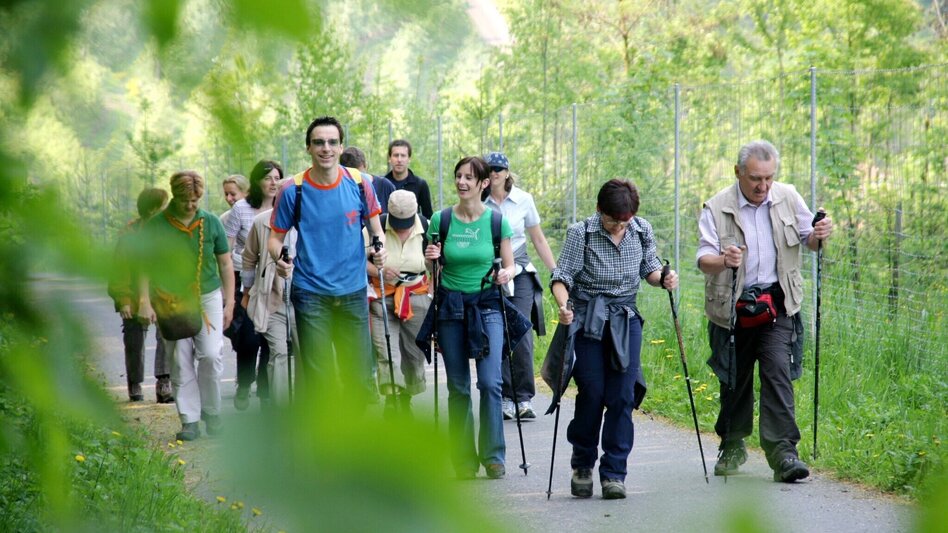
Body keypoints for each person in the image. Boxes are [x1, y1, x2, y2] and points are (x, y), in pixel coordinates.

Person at [697, 140, 833, 483]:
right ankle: (732, 443)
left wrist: (819, 234)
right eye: (756, 178)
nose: (763, 186)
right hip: (731, 306)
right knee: (735, 379)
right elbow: (704, 260)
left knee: (777, 372)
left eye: (769, 178)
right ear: (738, 172)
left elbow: (810, 241)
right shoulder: (716, 206)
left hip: (777, 303)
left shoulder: (787, 196)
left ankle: (784, 452)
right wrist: (724, 260)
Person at [550, 179, 678, 500]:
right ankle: (582, 464)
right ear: (599, 210)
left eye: (625, 220)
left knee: (622, 395)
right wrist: (564, 306)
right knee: (592, 392)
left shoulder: (640, 229)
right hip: (588, 319)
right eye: (613, 220)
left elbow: (649, 270)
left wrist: (663, 279)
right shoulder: (582, 233)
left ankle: (614, 472)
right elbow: (561, 277)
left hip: (625, 318)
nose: (619, 226)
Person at [269, 116, 387, 409]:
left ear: (341, 146)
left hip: (353, 291)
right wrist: (280, 260)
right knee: (320, 379)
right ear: (308, 148)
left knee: (359, 378)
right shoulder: (292, 189)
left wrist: (380, 249)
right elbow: (274, 239)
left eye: (332, 142)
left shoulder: (359, 183)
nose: (326, 148)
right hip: (311, 293)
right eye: (319, 142)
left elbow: (376, 230)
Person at [420, 156, 521, 480]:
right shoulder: (441, 220)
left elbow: (510, 264)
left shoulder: (496, 222)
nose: (462, 182)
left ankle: (493, 456)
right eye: (458, 177)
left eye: (469, 178)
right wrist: (430, 259)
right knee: (459, 387)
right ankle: (463, 458)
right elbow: (432, 269)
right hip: (450, 306)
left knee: (491, 382)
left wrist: (506, 274)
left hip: (488, 304)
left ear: (483, 183)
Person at [138, 171, 235, 441]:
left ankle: (212, 412)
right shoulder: (157, 225)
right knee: (180, 361)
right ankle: (189, 419)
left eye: (195, 200)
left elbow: (226, 263)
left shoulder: (211, 222)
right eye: (185, 200)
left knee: (211, 354)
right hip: (172, 299)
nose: (190, 205)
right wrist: (145, 301)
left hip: (208, 297)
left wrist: (230, 303)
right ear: (174, 196)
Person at [482, 151, 557, 421]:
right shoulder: (479, 202)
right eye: (489, 170)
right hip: (490, 273)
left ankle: (523, 397)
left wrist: (556, 273)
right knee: (497, 332)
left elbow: (538, 239)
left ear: (507, 173)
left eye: (498, 170)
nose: (494, 175)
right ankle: (503, 396)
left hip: (521, 271)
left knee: (521, 330)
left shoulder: (523, 200)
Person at [364, 190, 430, 416]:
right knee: (386, 349)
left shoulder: (426, 227)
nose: (402, 227)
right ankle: (392, 397)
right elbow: (355, 259)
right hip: (383, 293)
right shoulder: (375, 227)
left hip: (417, 295)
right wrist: (377, 269)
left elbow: (435, 265)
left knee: (414, 352)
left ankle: (406, 395)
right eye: (398, 222)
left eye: (406, 222)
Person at [225, 161, 282, 410]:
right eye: (268, 178)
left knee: (273, 337)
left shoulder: (285, 207)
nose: (273, 183)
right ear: (257, 181)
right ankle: (245, 383)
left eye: (277, 178)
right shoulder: (241, 208)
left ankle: (266, 389)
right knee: (249, 337)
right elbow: (227, 248)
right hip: (245, 279)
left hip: (276, 280)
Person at [108, 187, 173, 403]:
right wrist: (123, 299)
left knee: (167, 337)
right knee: (134, 340)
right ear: (153, 209)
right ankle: (134, 383)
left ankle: (164, 381)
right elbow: (119, 269)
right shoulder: (130, 236)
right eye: (164, 205)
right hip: (134, 294)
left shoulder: (169, 232)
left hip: (163, 294)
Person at [241, 204, 298, 407]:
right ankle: (281, 408)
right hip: (272, 299)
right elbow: (248, 259)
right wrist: (247, 292)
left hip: (304, 300)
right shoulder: (261, 222)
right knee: (279, 351)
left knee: (305, 353)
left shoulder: (311, 220)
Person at [383, 139, 433, 218]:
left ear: (409, 159)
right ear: (389, 159)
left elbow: (428, 216)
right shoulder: (382, 184)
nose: (399, 160)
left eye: (403, 155)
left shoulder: (420, 184)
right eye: (396, 155)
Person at [341, 146, 395, 215]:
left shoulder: (385, 186)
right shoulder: (341, 192)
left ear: (366, 165)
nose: (358, 183)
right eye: (352, 178)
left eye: (360, 176)